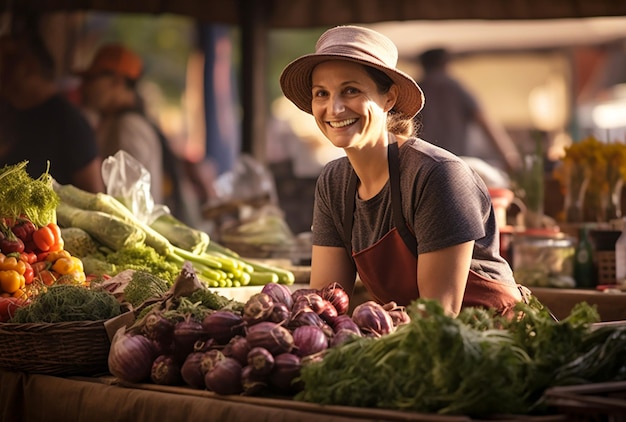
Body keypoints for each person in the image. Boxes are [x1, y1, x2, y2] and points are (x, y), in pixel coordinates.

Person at [279, 25, 529, 317]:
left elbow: (438, 317)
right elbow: (324, 305)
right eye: (321, 93)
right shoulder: (333, 182)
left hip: (492, 343)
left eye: (350, 90)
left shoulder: (436, 175)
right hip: (409, 344)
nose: (333, 108)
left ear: (389, 98)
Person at [77, 43, 186, 218]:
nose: (84, 87)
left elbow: (128, 201)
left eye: (90, 79)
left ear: (116, 82)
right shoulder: (118, 121)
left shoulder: (128, 126)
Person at [0, 33, 105, 193]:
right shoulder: (11, 111)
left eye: (7, 61)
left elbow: (94, 197)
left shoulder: (69, 122)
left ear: (28, 68)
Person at [416, 48, 521, 173]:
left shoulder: (415, 91)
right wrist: (508, 156)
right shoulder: (455, 88)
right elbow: (485, 122)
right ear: (446, 64)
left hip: (424, 164)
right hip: (456, 163)